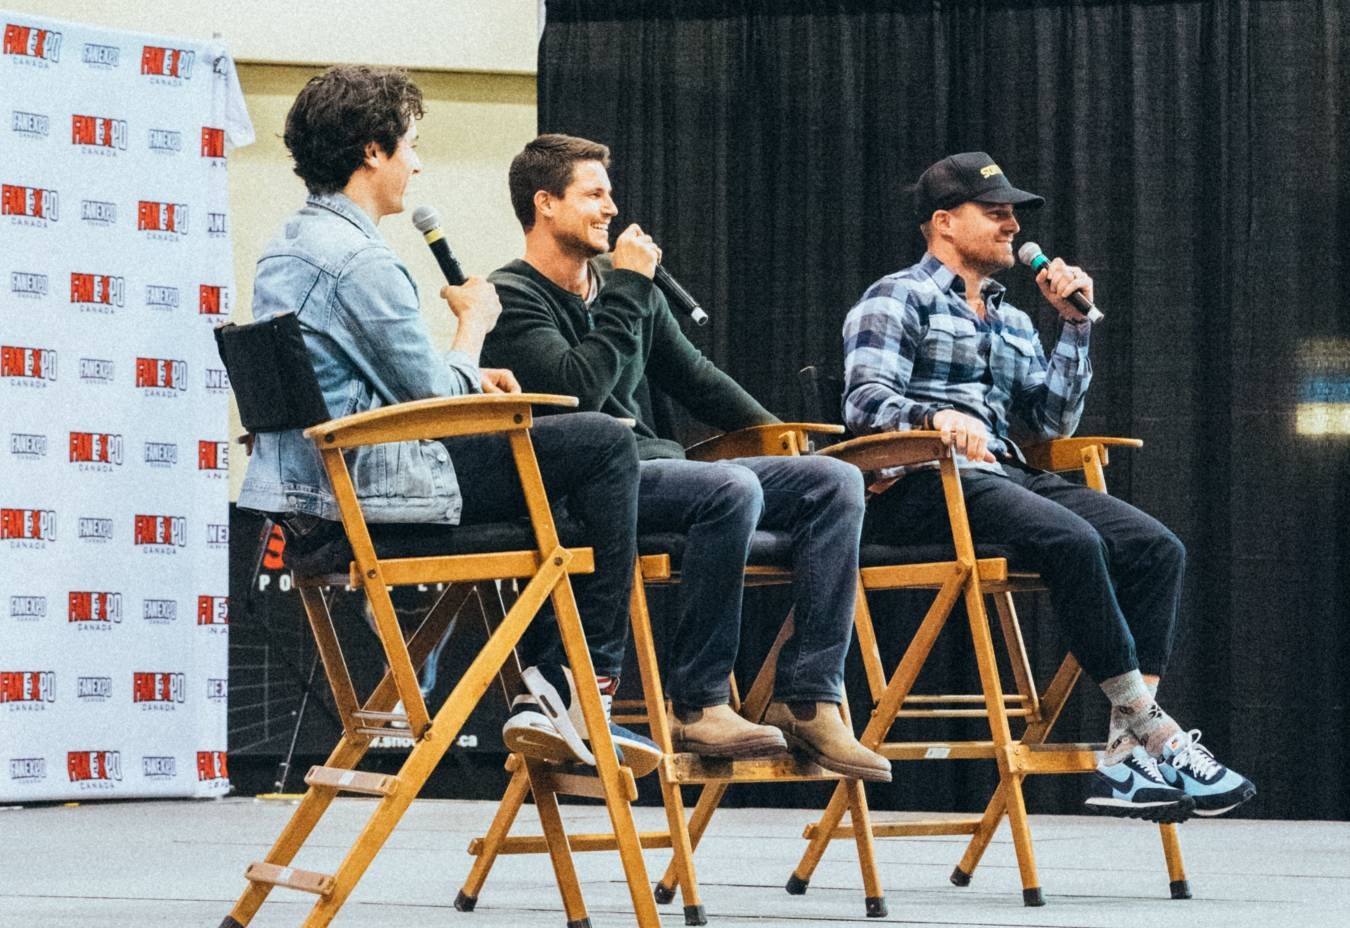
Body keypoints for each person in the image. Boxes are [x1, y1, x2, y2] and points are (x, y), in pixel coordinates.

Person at [235, 67, 659, 775]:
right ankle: (579, 690)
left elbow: (366, 378)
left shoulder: (287, 245)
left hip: (318, 498)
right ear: (373, 151)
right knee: (606, 444)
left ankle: (547, 688)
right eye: (410, 145)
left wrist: (464, 371)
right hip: (376, 497)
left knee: (570, 465)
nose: (417, 163)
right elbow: (433, 399)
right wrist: (472, 329)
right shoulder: (361, 260)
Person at [842, 151, 1255, 819]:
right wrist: (933, 417)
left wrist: (1072, 326)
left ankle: (1124, 754)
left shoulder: (1010, 317)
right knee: (1070, 537)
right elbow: (863, 402)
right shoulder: (897, 295)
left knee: (1156, 549)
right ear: (943, 222)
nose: (1011, 225)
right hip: (918, 488)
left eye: (1014, 213)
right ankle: (1154, 731)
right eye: (995, 212)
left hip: (1004, 475)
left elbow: (1048, 422)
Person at [479, 134, 890, 782]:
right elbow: (578, 391)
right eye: (594, 193)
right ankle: (700, 703)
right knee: (728, 489)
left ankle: (810, 698)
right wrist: (631, 291)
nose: (611, 208)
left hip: (661, 468)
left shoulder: (621, 287)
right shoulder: (511, 297)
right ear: (545, 203)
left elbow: (698, 379)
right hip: (593, 484)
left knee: (832, 481)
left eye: (610, 193)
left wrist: (787, 440)